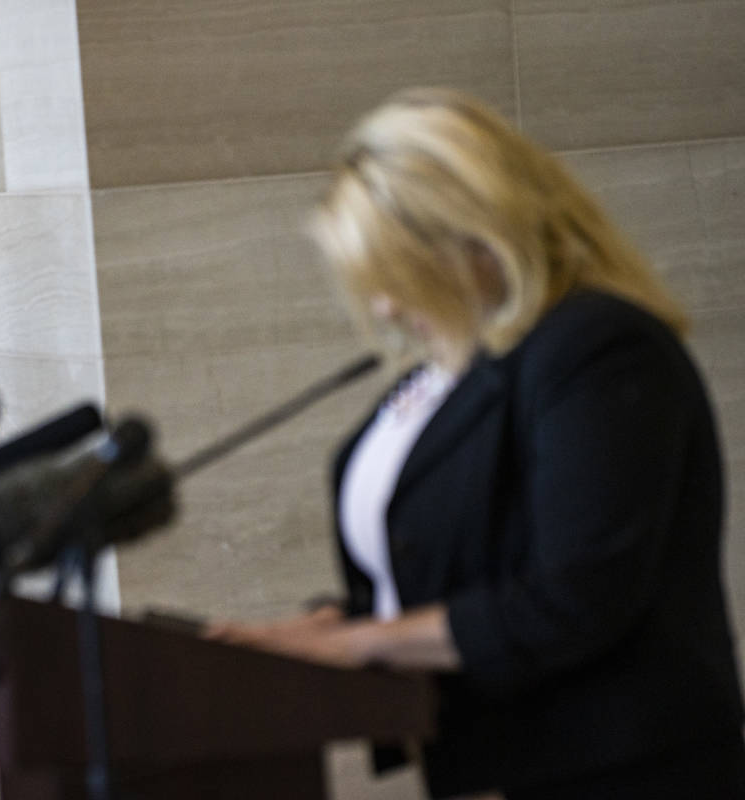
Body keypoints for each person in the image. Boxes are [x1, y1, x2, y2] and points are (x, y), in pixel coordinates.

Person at [208, 87, 745, 799]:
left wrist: (355, 645)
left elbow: (578, 593)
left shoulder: (599, 348)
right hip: (506, 765)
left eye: (396, 277)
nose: (385, 308)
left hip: (628, 774)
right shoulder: (448, 378)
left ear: (475, 235)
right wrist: (322, 630)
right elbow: (459, 565)